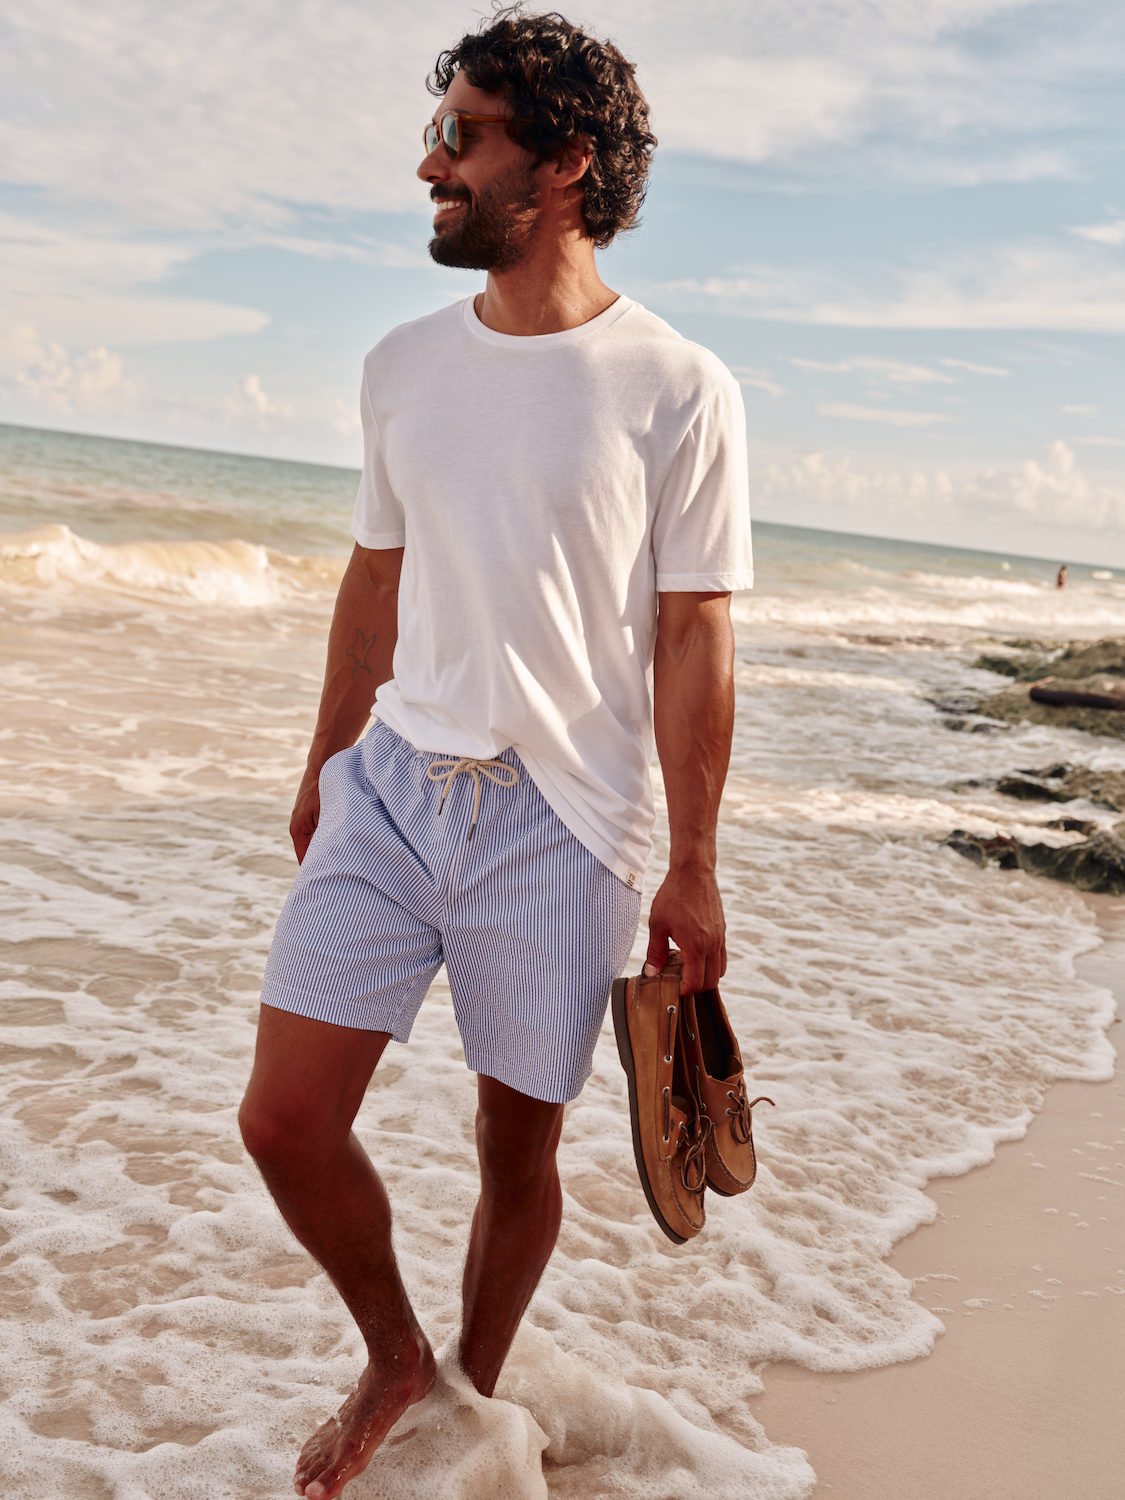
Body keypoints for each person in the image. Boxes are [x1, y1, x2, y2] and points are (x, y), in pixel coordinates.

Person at [237, 8, 753, 1497]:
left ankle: (463, 1388)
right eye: (439, 133)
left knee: (512, 1157)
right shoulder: (403, 363)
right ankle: (395, 1351)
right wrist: (325, 762)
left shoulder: (677, 385)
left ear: (567, 160)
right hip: (394, 790)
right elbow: (375, 581)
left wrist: (698, 864)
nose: (430, 164)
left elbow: (694, 632)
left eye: (464, 138)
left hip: (565, 822)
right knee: (284, 1118)